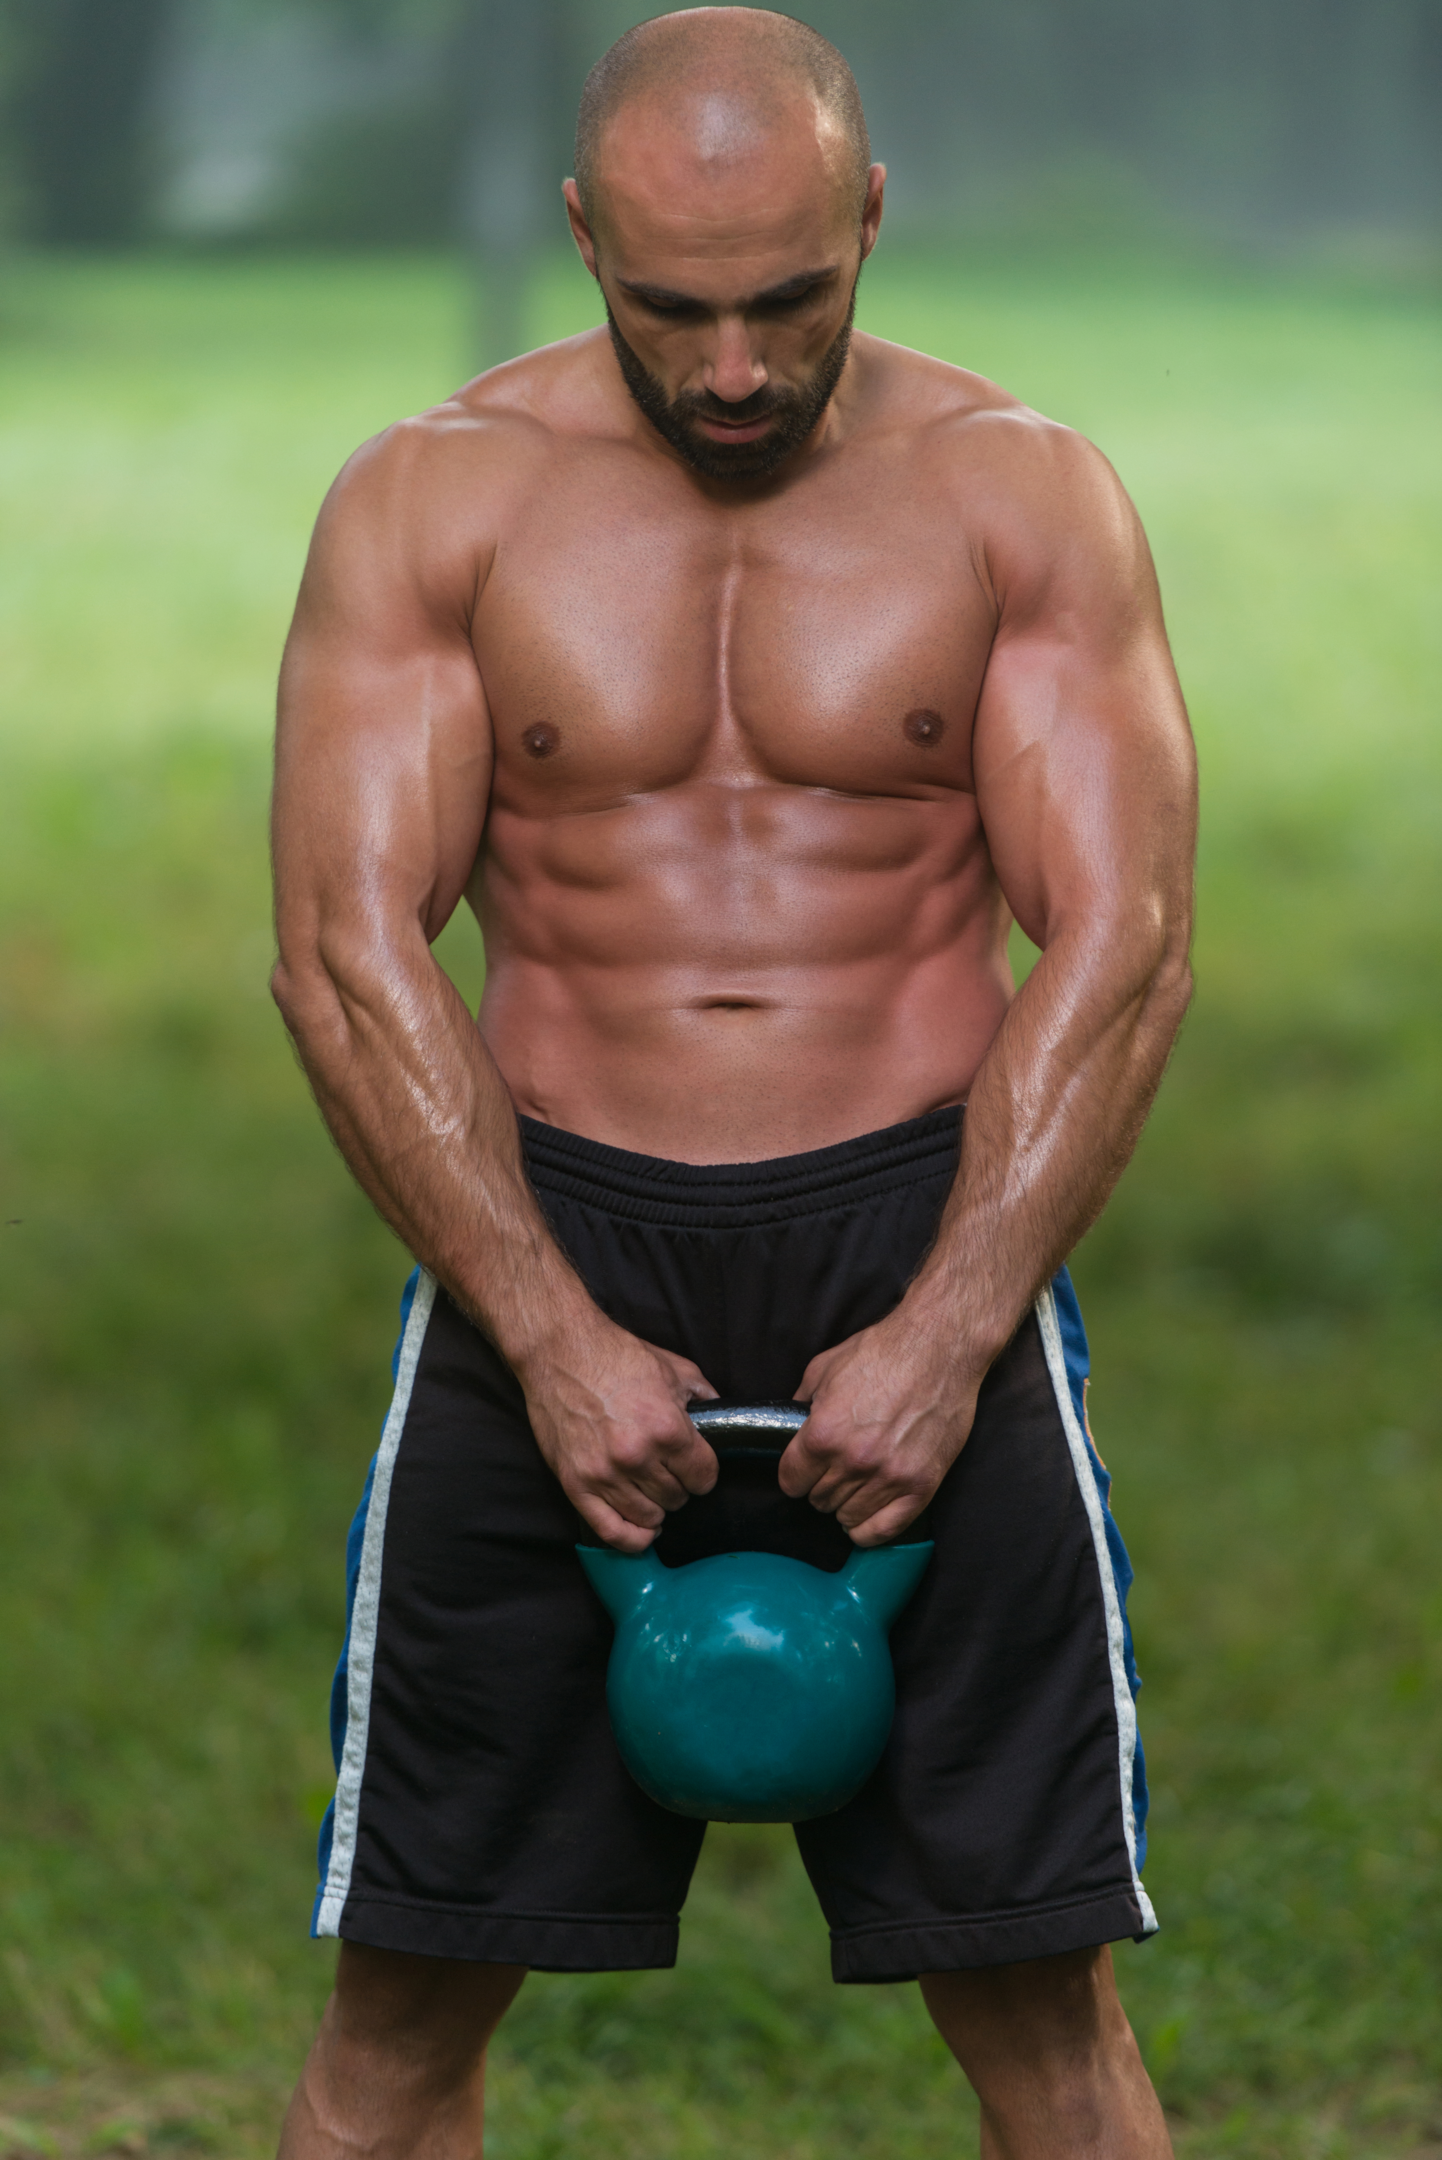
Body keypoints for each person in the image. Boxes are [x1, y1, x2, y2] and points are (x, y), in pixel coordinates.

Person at [270, 8, 1197, 2155]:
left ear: (870, 216)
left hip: (920, 1217)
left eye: (790, 298)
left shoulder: (1015, 494)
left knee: (1041, 2007)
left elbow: (1124, 938)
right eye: (668, 308)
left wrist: (958, 1325)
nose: (731, 371)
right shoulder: (438, 500)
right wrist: (541, 1332)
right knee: (401, 2016)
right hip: (553, 1228)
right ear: (581, 231)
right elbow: (345, 946)